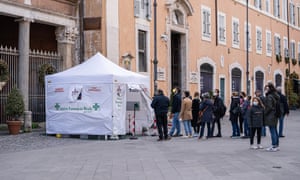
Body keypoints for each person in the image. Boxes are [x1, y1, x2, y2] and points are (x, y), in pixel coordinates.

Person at [264, 82, 280, 151]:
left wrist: (265, 113)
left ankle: (273, 145)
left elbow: (269, 107)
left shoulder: (270, 96)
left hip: (271, 115)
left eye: (266, 88)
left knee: (272, 130)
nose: (265, 90)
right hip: (275, 114)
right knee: (275, 130)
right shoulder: (275, 95)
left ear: (269, 89)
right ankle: (276, 145)